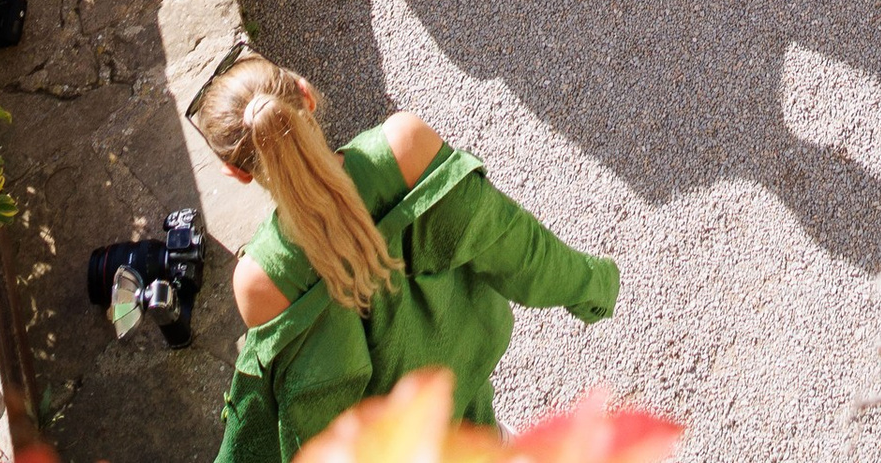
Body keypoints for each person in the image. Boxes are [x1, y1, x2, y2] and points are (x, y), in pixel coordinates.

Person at [202, 55, 619, 463]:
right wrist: (595, 287)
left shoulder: (260, 281)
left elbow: (308, 414)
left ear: (236, 172)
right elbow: (516, 247)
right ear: (306, 96)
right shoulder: (404, 147)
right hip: (470, 418)